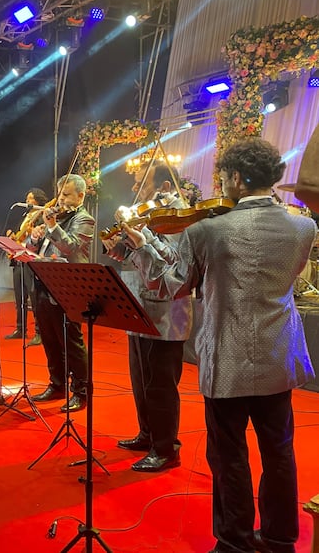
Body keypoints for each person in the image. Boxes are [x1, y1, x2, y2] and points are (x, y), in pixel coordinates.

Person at [120, 138, 316, 553]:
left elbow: (168, 286)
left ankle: (235, 541)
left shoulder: (207, 230)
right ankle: (281, 538)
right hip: (280, 355)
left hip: (228, 357)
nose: (221, 183)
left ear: (236, 178)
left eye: (223, 176)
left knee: (229, 455)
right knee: (279, 450)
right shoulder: (304, 226)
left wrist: (141, 246)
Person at [101, 162, 193, 472]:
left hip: (166, 313)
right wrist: (118, 247)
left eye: (144, 183)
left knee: (160, 384)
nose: (136, 190)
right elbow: (134, 260)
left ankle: (166, 447)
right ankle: (148, 434)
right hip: (138, 304)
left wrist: (145, 240)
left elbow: (175, 265)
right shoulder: (148, 217)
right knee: (140, 378)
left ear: (166, 188)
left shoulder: (181, 218)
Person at [27, 174, 94, 412]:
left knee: (71, 341)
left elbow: (71, 247)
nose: (61, 199)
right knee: (50, 339)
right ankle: (57, 384)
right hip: (43, 283)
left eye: (66, 195)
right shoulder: (55, 218)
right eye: (60, 194)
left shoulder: (85, 219)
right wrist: (33, 239)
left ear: (80, 195)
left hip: (68, 288)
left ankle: (81, 390)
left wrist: (52, 226)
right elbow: (32, 247)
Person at [5, 187, 48, 345]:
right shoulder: (25, 216)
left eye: (31, 199)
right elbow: (19, 236)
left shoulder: (42, 215)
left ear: (38, 201)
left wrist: (32, 234)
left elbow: (42, 239)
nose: (27, 201)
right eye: (27, 198)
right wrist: (12, 237)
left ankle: (39, 331)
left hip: (32, 262)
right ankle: (20, 328)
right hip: (18, 260)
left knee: (34, 297)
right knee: (20, 298)